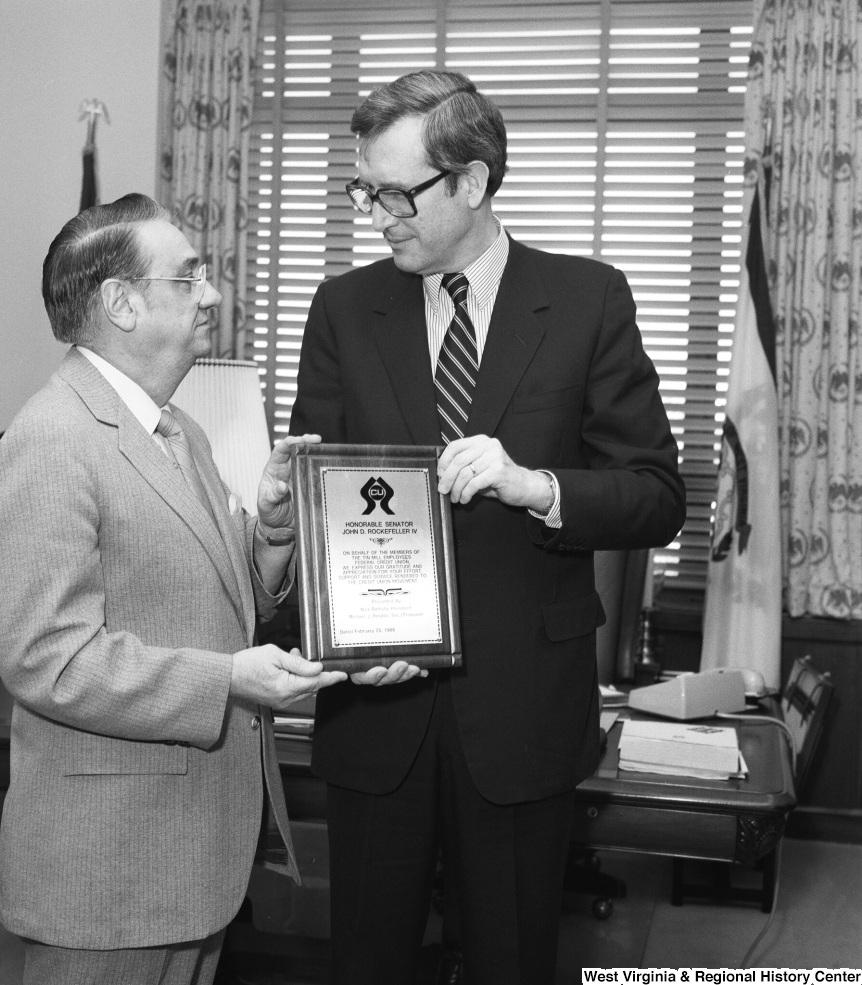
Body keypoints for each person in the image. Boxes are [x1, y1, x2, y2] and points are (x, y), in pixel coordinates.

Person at [289, 71, 686, 984]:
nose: (376, 213)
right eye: (365, 189)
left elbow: (656, 494)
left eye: (396, 193)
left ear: (470, 181)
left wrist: (536, 485)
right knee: (366, 961)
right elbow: (322, 494)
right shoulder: (344, 310)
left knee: (510, 958)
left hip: (522, 713)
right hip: (375, 704)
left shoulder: (587, 301)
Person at [0, 192, 346, 985]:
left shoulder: (182, 430)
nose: (213, 293)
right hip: (107, 875)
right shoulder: (51, 442)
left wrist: (273, 534)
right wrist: (228, 678)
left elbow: (216, 592)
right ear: (122, 303)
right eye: (189, 277)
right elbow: (50, 659)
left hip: (188, 858)